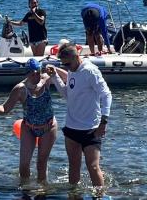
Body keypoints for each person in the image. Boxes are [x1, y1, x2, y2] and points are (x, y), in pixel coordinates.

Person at [46, 43, 112, 193]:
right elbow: (67, 95)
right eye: (64, 65)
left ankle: (100, 196)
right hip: (72, 129)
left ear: (76, 57)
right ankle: (74, 196)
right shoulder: (72, 70)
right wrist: (55, 76)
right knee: (74, 166)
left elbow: (106, 94)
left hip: (91, 129)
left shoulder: (90, 71)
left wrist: (104, 121)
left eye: (68, 64)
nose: (66, 67)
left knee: (93, 167)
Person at [0, 58, 57, 184]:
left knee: (41, 163)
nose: (36, 75)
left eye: (37, 72)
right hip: (29, 127)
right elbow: (5, 109)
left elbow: (66, 77)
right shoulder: (20, 89)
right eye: (32, 73)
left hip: (48, 127)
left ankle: (42, 191)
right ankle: (25, 190)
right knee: (24, 165)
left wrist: (54, 69)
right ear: (27, 74)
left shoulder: (46, 79)